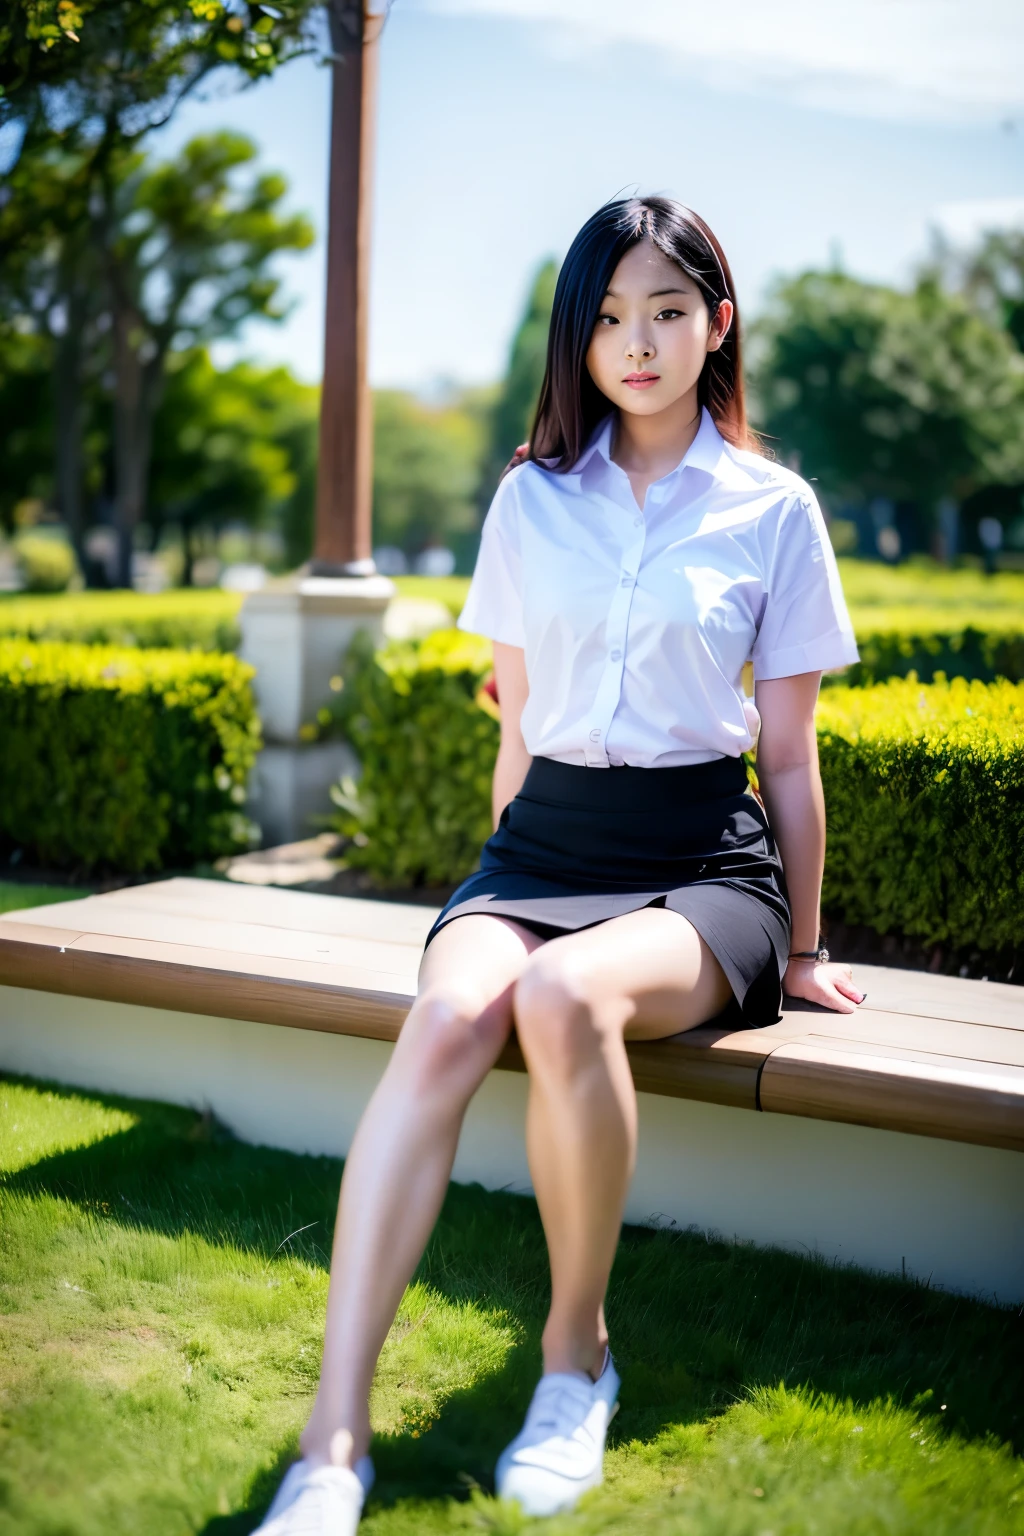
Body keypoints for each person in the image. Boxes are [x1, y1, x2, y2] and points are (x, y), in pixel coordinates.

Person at [257, 195, 864, 1535]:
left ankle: (574, 1356)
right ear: (576, 340)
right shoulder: (534, 499)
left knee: (562, 999)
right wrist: (496, 886)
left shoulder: (776, 510)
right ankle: (332, 1443)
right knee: (455, 1009)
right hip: (546, 845)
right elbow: (518, 727)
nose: (634, 344)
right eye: (604, 317)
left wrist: (805, 951)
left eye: (662, 312)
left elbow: (791, 756)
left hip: (704, 861)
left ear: (716, 323)